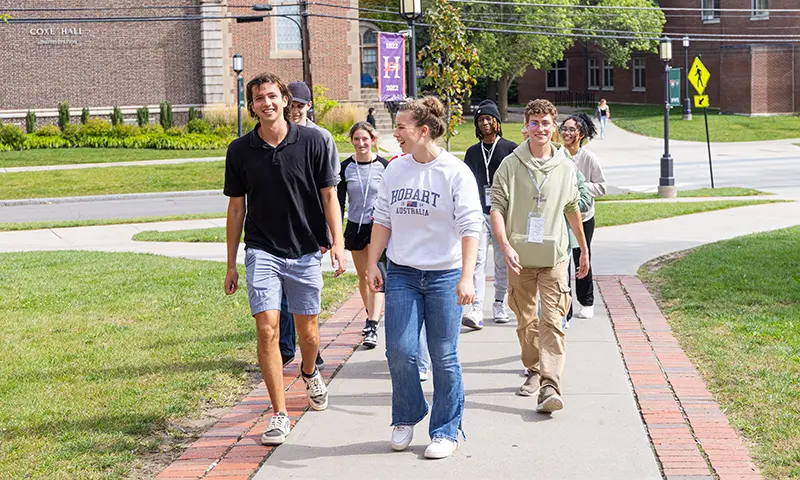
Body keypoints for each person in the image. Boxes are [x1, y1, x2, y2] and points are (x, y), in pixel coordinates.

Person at [223, 72, 348, 446]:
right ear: (252, 106)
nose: (267, 103)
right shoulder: (240, 150)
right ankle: (279, 413)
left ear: (284, 99)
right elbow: (236, 208)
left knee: (308, 334)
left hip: (306, 250)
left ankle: (309, 372)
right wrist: (231, 263)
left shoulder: (313, 141)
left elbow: (329, 197)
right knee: (267, 330)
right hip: (262, 250)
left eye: (272, 96)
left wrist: (337, 244)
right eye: (259, 98)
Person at [367, 96, 482, 459]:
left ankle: (446, 430)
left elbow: (471, 227)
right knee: (400, 350)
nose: (395, 134)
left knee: (444, 355)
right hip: (402, 272)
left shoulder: (454, 172)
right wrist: (372, 263)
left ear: (423, 130)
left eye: (401, 127)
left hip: (445, 275)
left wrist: (467, 277)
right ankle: (407, 414)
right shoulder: (395, 170)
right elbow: (382, 219)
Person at [490, 99, 589, 413]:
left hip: (555, 255)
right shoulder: (510, 164)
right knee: (526, 320)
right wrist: (505, 246)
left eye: (546, 123)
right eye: (534, 123)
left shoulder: (565, 166)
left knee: (553, 319)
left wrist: (582, 248)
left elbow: (572, 208)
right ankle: (533, 368)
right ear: (526, 127)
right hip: (519, 257)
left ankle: (549, 384)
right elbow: (496, 208)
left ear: (553, 127)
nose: (540, 129)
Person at [278, 81, 342, 371]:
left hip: (310, 226)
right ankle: (285, 348)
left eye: (300, 106)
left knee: (305, 295)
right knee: (280, 293)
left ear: (309, 106)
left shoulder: (321, 138)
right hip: (280, 226)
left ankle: (311, 352)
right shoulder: (275, 133)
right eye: (291, 105)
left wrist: (328, 235)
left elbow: (330, 190)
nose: (295, 111)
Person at [461, 100, 518, 329]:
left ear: (497, 121)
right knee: (477, 260)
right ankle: (476, 309)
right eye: (480, 119)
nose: (484, 123)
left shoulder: (510, 149)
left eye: (488, 118)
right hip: (478, 214)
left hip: (502, 213)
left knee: (502, 261)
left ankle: (499, 303)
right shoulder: (472, 152)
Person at [338, 121, 389, 348]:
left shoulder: (384, 166)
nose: (361, 143)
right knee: (363, 276)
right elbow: (338, 202)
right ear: (352, 140)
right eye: (357, 139)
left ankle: (371, 324)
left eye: (365, 139)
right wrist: (333, 235)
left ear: (372, 140)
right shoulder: (345, 167)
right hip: (355, 227)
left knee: (376, 275)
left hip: (377, 227)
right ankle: (372, 313)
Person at [559, 113, 607, 320]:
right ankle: (565, 308)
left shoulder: (588, 158)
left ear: (581, 134)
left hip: (584, 217)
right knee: (562, 262)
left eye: (572, 129)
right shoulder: (557, 154)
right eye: (564, 129)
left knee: (582, 258)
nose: (567, 133)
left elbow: (602, 187)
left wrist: (578, 187)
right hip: (560, 218)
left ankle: (586, 302)